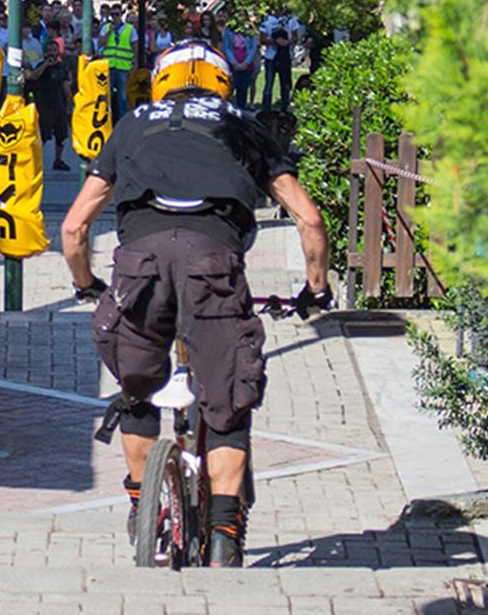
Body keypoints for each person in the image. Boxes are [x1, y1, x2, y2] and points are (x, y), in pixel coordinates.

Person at [60, 40, 331, 568]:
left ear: (161, 80)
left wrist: (87, 283)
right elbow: (310, 220)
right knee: (227, 398)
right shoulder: (243, 124)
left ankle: (143, 505)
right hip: (213, 265)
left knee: (137, 391)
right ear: (223, 82)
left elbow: (74, 226)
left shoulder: (135, 122)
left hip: (138, 267)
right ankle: (225, 532)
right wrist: (315, 290)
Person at [29, 37, 72, 169]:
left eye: (54, 50)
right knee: (42, 135)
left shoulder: (62, 67)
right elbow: (33, 76)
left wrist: (69, 102)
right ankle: (35, 161)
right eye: (50, 50)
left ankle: (58, 160)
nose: (52, 53)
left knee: (61, 135)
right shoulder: (41, 65)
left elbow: (66, 85)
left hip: (58, 103)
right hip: (44, 103)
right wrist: (46, 64)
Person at [99, 2, 136, 125]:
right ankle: (107, 121)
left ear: (121, 14)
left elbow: (135, 47)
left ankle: (123, 123)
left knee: (122, 97)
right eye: (112, 15)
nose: (115, 17)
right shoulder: (106, 27)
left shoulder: (130, 29)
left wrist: (133, 65)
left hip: (123, 67)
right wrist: (110, 32)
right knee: (107, 96)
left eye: (117, 14)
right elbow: (101, 43)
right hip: (109, 66)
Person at [260, 8, 302, 113]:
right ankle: (266, 109)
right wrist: (275, 41)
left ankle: (284, 107)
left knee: (285, 84)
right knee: (269, 84)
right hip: (271, 57)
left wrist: (287, 42)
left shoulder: (291, 20)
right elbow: (262, 39)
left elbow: (295, 37)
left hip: (285, 56)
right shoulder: (267, 20)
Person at [222, 17, 259, 110]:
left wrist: (246, 62)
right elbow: (226, 47)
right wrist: (234, 62)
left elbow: (253, 47)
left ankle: (241, 111)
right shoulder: (229, 29)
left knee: (243, 90)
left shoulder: (250, 29)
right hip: (233, 65)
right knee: (231, 88)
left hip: (246, 65)